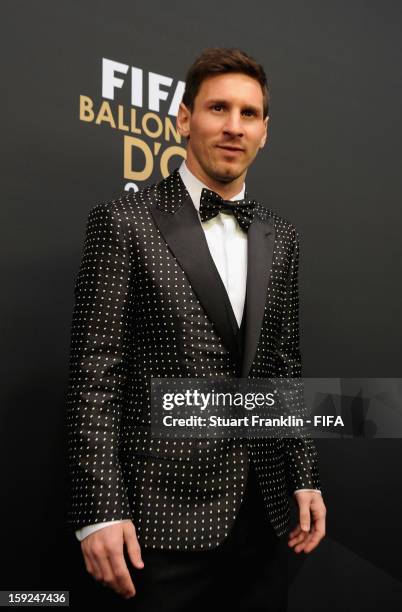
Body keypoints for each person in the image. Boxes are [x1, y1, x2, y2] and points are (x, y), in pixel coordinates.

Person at [66, 47, 326, 610]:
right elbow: (94, 379)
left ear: (264, 131)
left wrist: (304, 473)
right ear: (184, 119)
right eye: (218, 108)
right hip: (160, 527)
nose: (234, 126)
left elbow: (284, 366)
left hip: (267, 517)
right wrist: (99, 509)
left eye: (249, 114)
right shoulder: (123, 222)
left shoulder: (281, 236)